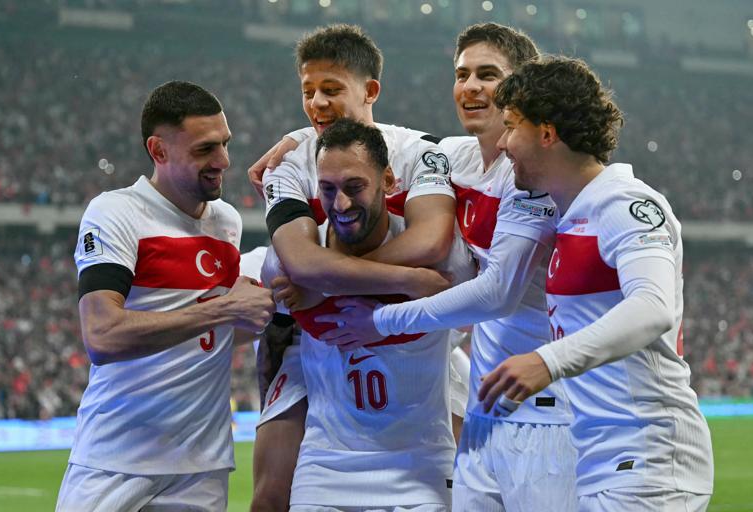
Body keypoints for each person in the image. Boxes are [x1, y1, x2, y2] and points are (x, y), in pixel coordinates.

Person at [315, 24, 577, 512]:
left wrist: (379, 320)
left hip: (547, 403)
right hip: (489, 403)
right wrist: (290, 147)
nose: (470, 86)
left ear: (523, 87)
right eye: (462, 75)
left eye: (487, 75)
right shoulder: (453, 156)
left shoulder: (531, 173)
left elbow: (498, 294)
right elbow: (372, 139)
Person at [249, 24, 467, 511]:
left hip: (418, 342)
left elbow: (431, 240)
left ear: (370, 91)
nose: (316, 104)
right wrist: (405, 277)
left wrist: (325, 280)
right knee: (269, 494)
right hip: (312, 340)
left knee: (471, 463)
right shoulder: (288, 164)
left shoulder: (419, 152)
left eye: (331, 90)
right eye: (307, 91)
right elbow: (299, 262)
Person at [484, 56, 714, 510]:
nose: (504, 142)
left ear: (547, 133)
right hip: (604, 462)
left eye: (511, 127)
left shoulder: (624, 202)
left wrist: (546, 361)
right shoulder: (573, 216)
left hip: (650, 462)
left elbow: (653, 306)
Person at [56, 80, 275, 512]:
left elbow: (211, 334)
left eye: (225, 144)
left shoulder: (226, 223)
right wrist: (225, 308)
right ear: (158, 151)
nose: (223, 161)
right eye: (204, 150)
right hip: (115, 460)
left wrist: (263, 312)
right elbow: (102, 335)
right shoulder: (115, 212)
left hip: (201, 469)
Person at [283, 118, 475, 509]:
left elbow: (485, 303)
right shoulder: (296, 259)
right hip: (326, 467)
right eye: (327, 189)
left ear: (388, 181)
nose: (340, 204)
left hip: (421, 465)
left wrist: (338, 290)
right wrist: (406, 283)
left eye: (355, 187)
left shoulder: (440, 256)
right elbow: (251, 289)